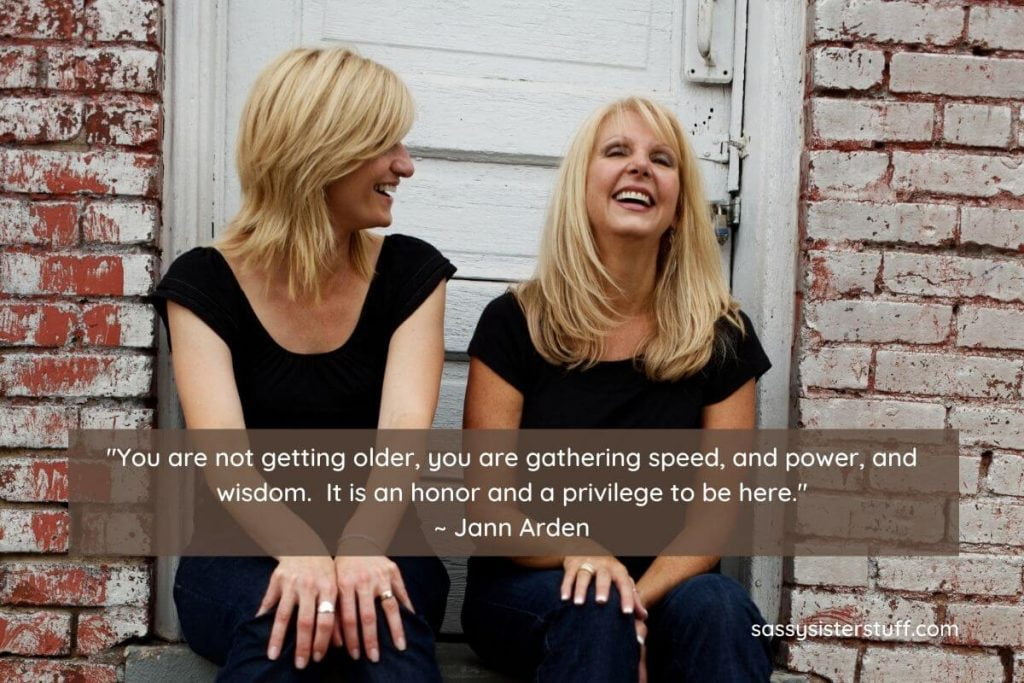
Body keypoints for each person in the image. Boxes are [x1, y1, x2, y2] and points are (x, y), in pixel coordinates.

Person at [153, 47, 454, 681]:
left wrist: (360, 548)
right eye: (386, 144)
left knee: (385, 622)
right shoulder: (204, 282)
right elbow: (224, 459)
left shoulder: (409, 272)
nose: (406, 166)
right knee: (283, 623)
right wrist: (301, 553)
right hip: (237, 551)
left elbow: (405, 431)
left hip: (386, 541)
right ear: (322, 150)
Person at [460, 97, 774, 682]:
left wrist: (634, 598)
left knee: (725, 607)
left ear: (679, 206)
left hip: (667, 586)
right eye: (617, 152)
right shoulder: (516, 322)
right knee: (592, 605)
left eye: (662, 159)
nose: (640, 168)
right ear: (582, 187)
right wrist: (579, 551)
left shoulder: (721, 335)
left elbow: (712, 526)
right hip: (532, 585)